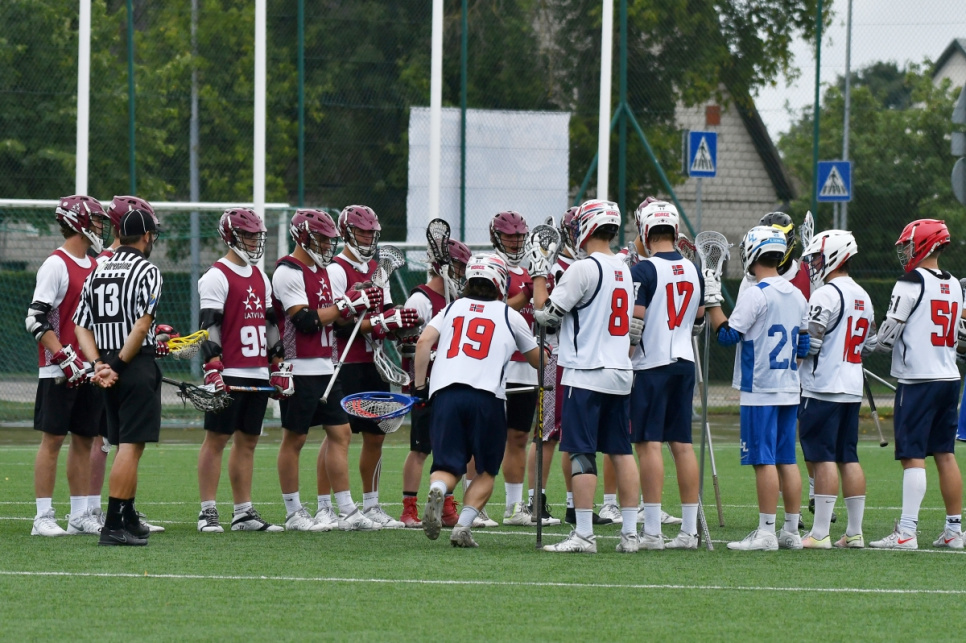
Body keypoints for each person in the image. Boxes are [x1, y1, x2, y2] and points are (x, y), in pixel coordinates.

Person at [533, 199, 641, 554]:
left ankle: (583, 534)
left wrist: (538, 275)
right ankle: (630, 534)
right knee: (621, 452)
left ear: (588, 227)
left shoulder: (583, 268)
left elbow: (547, 316)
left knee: (581, 452)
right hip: (620, 372)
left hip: (585, 373)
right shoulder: (624, 269)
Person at [414, 253, 542, 547]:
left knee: (447, 465)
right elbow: (538, 361)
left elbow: (423, 343)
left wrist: (421, 388)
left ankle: (438, 487)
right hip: (487, 398)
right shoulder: (509, 314)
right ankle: (463, 526)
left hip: (446, 394)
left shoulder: (452, 308)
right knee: (485, 470)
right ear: (500, 281)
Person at [271, 209, 383, 531]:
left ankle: (346, 510)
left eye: (328, 239)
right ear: (303, 237)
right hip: (298, 365)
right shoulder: (288, 271)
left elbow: (339, 319)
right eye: (320, 238)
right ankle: (294, 512)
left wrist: (359, 301)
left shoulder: (323, 271)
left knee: (341, 433)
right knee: (295, 438)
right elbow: (304, 320)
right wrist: (346, 304)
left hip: (326, 364)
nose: (325, 245)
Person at [705, 225, 809, 551]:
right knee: (786, 459)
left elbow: (727, 336)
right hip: (789, 386)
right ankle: (790, 531)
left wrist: (712, 300)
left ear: (752, 254)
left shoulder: (756, 293)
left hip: (760, 388)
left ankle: (766, 533)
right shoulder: (797, 293)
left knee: (763, 460)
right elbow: (804, 345)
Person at [869, 219, 964, 550]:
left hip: (918, 380)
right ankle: (954, 530)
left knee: (912, 457)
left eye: (908, 245)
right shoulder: (955, 284)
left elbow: (887, 338)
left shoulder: (910, 281)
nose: (905, 252)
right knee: (945, 454)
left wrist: (866, 344)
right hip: (949, 378)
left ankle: (907, 532)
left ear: (925, 244)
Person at [195, 208, 290, 533]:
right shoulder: (216, 276)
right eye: (247, 235)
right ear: (231, 237)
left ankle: (243, 512)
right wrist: (213, 368)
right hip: (230, 371)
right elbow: (209, 326)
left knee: (248, 441)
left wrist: (277, 365)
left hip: (257, 373)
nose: (253, 241)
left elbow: (270, 324)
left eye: (255, 235)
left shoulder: (260, 277)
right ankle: (207, 511)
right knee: (217, 439)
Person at [325, 205, 420, 529]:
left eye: (371, 233)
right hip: (345, 361)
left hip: (375, 361)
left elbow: (387, 315)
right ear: (347, 233)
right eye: (362, 232)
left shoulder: (378, 270)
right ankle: (328, 506)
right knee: (336, 435)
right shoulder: (336, 270)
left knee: (376, 436)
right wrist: (380, 323)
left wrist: (402, 324)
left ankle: (372, 504)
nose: (367, 238)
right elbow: (338, 323)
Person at [74, 208, 164, 546]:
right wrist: (119, 366)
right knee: (131, 445)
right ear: (146, 236)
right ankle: (113, 525)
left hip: (107, 368)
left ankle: (127, 516)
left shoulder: (97, 269)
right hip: (133, 365)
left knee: (124, 443)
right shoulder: (148, 270)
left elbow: (81, 325)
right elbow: (142, 325)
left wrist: (99, 364)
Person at [26, 195, 109, 537]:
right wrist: (63, 357)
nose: (101, 227)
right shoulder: (56, 264)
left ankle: (78, 515)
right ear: (79, 223)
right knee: (54, 439)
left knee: (85, 439)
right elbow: (36, 318)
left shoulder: (96, 265)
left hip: (89, 369)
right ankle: (42, 516)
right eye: (96, 221)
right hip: (59, 371)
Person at [629, 200, 705, 550]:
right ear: (675, 231)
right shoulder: (693, 269)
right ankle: (689, 531)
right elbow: (699, 320)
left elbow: (635, 324)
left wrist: (625, 358)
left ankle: (652, 532)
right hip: (684, 361)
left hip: (652, 363)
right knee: (682, 445)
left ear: (646, 232)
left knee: (648, 445)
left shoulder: (643, 270)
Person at [743, 211, 825, 528]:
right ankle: (791, 517)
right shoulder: (755, 279)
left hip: (785, 376)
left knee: (799, 441)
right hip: (785, 373)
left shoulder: (805, 273)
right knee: (783, 451)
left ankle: (812, 498)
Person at [797, 230, 874, 549]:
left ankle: (819, 534)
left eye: (817, 257)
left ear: (834, 256)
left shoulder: (825, 295)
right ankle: (854, 532)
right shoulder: (863, 295)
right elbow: (869, 344)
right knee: (848, 457)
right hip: (851, 386)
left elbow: (811, 344)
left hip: (823, 387)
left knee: (823, 457)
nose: (814, 263)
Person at [398, 234, 471, 528]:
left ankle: (448, 507)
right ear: (444, 266)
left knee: (452, 448)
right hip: (426, 384)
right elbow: (407, 344)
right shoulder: (421, 299)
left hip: (449, 384)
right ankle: (408, 509)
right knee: (420, 448)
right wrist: (418, 386)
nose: (462, 273)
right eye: (459, 267)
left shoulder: (458, 301)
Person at [488, 211, 554, 526]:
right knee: (485, 436)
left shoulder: (532, 270)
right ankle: (476, 505)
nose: (514, 242)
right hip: (497, 364)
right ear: (496, 237)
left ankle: (514, 507)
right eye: (508, 236)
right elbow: (494, 310)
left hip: (527, 364)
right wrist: (527, 292)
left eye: (518, 236)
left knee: (518, 437)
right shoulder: (491, 267)